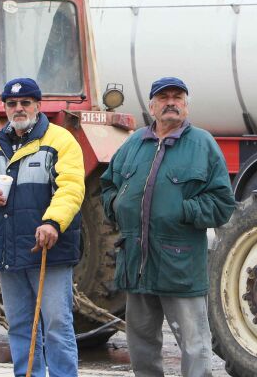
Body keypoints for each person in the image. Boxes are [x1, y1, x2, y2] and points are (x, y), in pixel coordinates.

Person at [101, 77, 235, 377]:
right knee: (141, 345)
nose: (170, 102)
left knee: (195, 346)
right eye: (163, 97)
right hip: (136, 264)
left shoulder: (203, 145)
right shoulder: (134, 143)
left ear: (186, 105)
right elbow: (108, 185)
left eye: (177, 97)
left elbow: (223, 204)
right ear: (152, 106)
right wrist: (117, 206)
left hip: (181, 265)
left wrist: (182, 209)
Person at [0, 77, 85, 377]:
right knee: (20, 325)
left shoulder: (60, 141)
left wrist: (52, 222)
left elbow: (71, 188)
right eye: (12, 104)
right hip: (9, 250)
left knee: (57, 323)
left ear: (37, 105)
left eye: (25, 103)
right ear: (5, 108)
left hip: (48, 248)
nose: (18, 109)